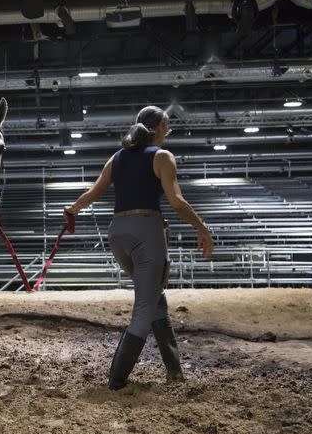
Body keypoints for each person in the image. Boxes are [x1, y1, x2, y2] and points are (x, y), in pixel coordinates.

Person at [64, 106, 214, 390]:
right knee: (145, 307)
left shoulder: (117, 158)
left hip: (118, 235)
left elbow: (93, 193)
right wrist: (202, 227)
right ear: (158, 129)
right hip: (147, 233)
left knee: (154, 297)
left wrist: (72, 209)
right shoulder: (162, 157)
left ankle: (174, 371)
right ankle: (117, 379)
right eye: (166, 127)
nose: (167, 133)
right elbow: (177, 202)